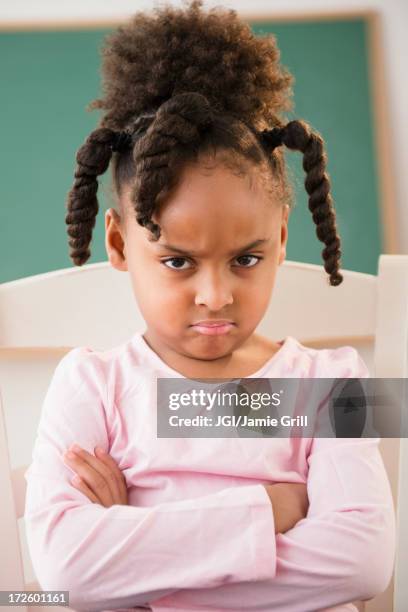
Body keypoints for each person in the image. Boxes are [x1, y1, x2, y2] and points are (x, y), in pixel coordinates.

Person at [24, 1, 396, 611]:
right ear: (118, 243)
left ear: (280, 236)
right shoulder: (88, 381)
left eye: (246, 259)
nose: (216, 295)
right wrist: (268, 509)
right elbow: (65, 570)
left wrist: (140, 545)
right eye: (178, 262)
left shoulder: (341, 381)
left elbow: (365, 563)